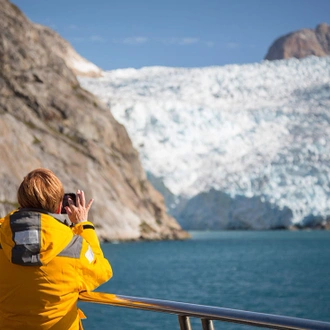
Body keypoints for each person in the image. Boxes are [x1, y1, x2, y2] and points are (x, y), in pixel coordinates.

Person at [0, 168, 112, 329]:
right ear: (60, 207)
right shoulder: (75, 247)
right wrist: (83, 225)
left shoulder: (3, 235)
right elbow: (102, 270)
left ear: (20, 202)